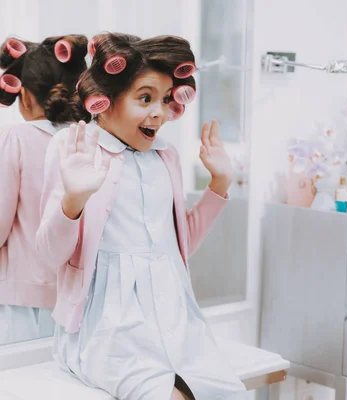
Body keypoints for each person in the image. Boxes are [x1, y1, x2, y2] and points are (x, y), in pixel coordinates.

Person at [36, 33, 245, 400]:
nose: (159, 113)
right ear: (105, 100)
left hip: (178, 322)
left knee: (229, 393)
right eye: (145, 98)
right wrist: (73, 200)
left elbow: (177, 249)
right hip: (109, 330)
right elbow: (47, 257)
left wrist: (219, 183)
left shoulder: (167, 156)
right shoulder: (72, 149)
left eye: (165, 100)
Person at [0, 34, 87, 345]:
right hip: (79, 304)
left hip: (22, 302)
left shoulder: (16, 137)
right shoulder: (90, 140)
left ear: (24, 95)